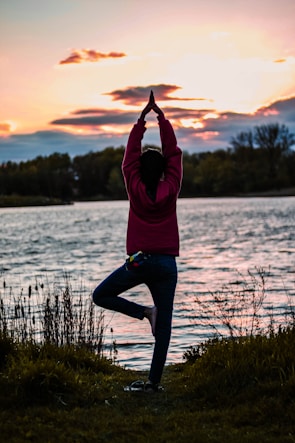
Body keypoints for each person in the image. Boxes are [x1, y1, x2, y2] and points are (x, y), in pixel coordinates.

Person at [92, 91, 183, 392]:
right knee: (165, 327)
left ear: (140, 171)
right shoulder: (171, 186)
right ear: (164, 172)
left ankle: (145, 312)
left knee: (101, 295)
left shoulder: (133, 185)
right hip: (166, 263)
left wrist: (142, 121)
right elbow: (174, 155)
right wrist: (163, 120)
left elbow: (129, 159)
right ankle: (153, 384)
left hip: (140, 261)